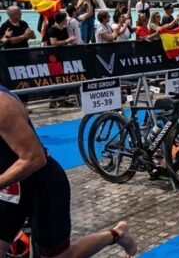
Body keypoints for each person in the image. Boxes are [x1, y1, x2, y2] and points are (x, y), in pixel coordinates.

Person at [0, 86, 138, 258]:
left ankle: (117, 234)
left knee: (60, 256)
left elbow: (34, 158)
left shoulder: (2, 105)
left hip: (41, 186)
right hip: (10, 189)